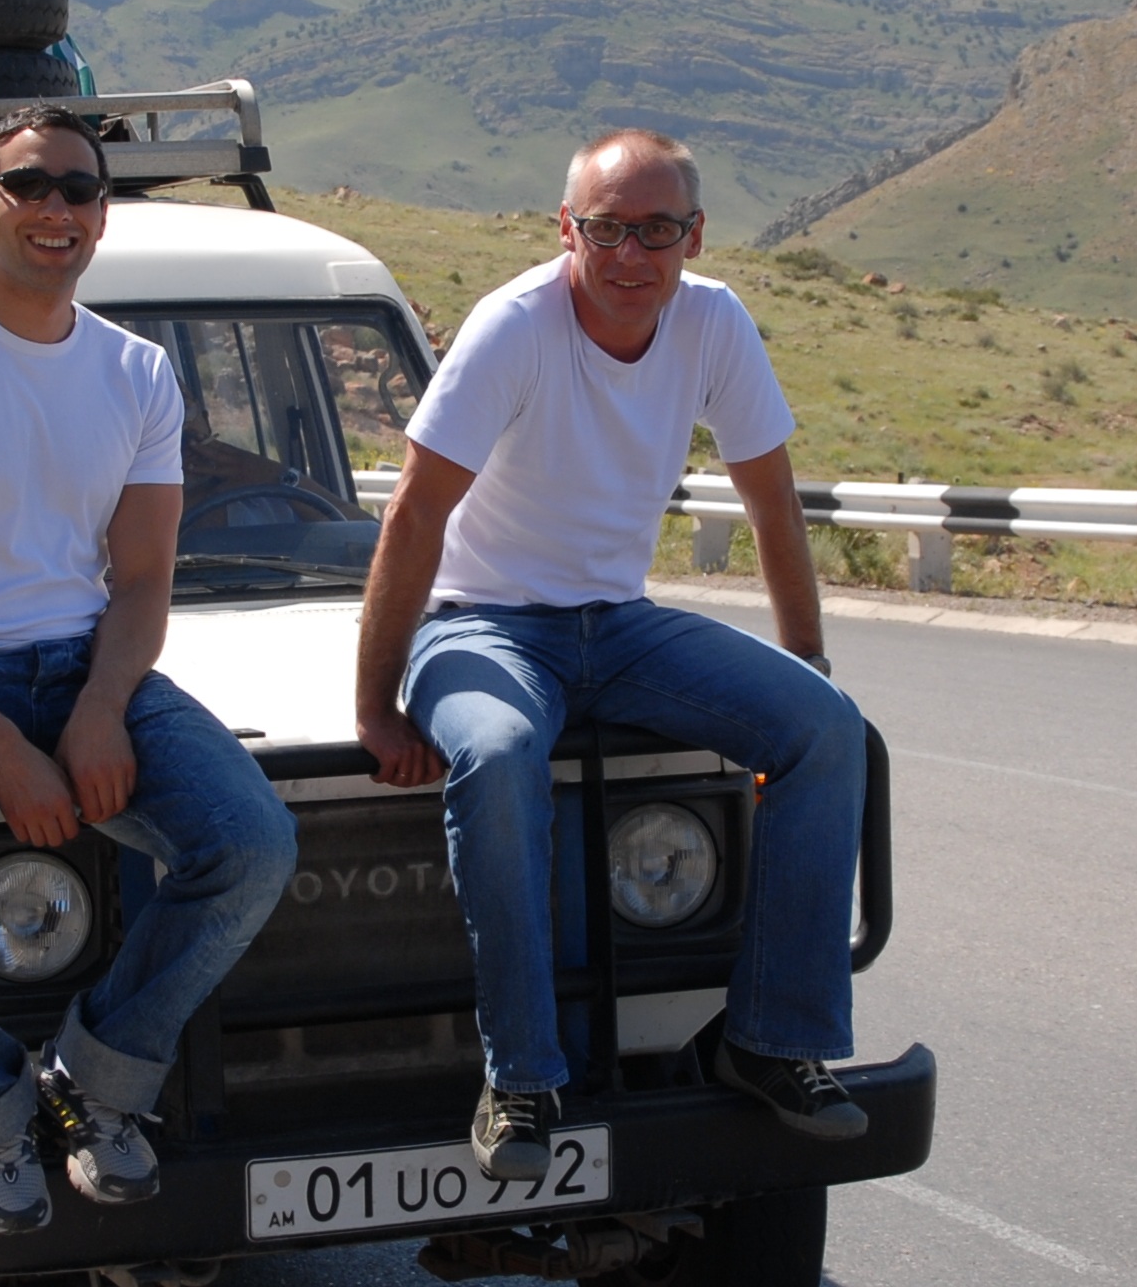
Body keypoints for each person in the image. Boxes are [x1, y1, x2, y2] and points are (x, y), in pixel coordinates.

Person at [0, 104, 298, 1234]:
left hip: (85, 658)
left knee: (252, 842)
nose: (56, 210)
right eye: (28, 186)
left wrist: (96, 711)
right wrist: (4, 752)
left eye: (80, 190)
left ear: (102, 215)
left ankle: (99, 1078)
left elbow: (138, 585)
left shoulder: (135, 375)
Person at [354, 129, 871, 1181]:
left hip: (619, 624)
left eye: (655, 231)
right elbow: (413, 516)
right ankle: (524, 1077)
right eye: (604, 230)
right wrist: (376, 703)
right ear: (566, 229)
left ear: (692, 235)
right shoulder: (514, 329)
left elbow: (769, 497)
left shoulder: (711, 320)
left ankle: (771, 1038)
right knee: (496, 757)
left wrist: (806, 661)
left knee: (827, 731)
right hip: (483, 621)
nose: (629, 256)